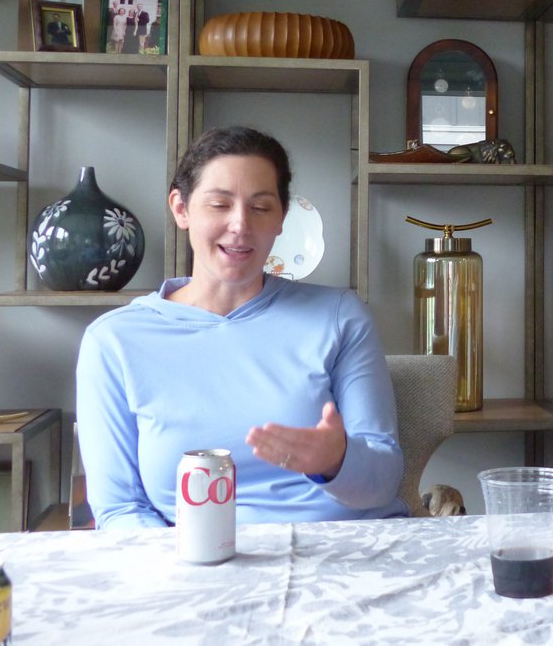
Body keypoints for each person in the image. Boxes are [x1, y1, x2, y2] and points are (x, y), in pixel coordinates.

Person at [76, 126, 405, 529]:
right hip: (193, 557)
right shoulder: (114, 341)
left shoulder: (339, 316)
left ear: (282, 217)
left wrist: (336, 461)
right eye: (219, 204)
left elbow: (383, 481)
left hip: (344, 545)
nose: (240, 225)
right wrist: (191, 562)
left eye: (261, 207)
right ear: (181, 208)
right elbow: (120, 509)